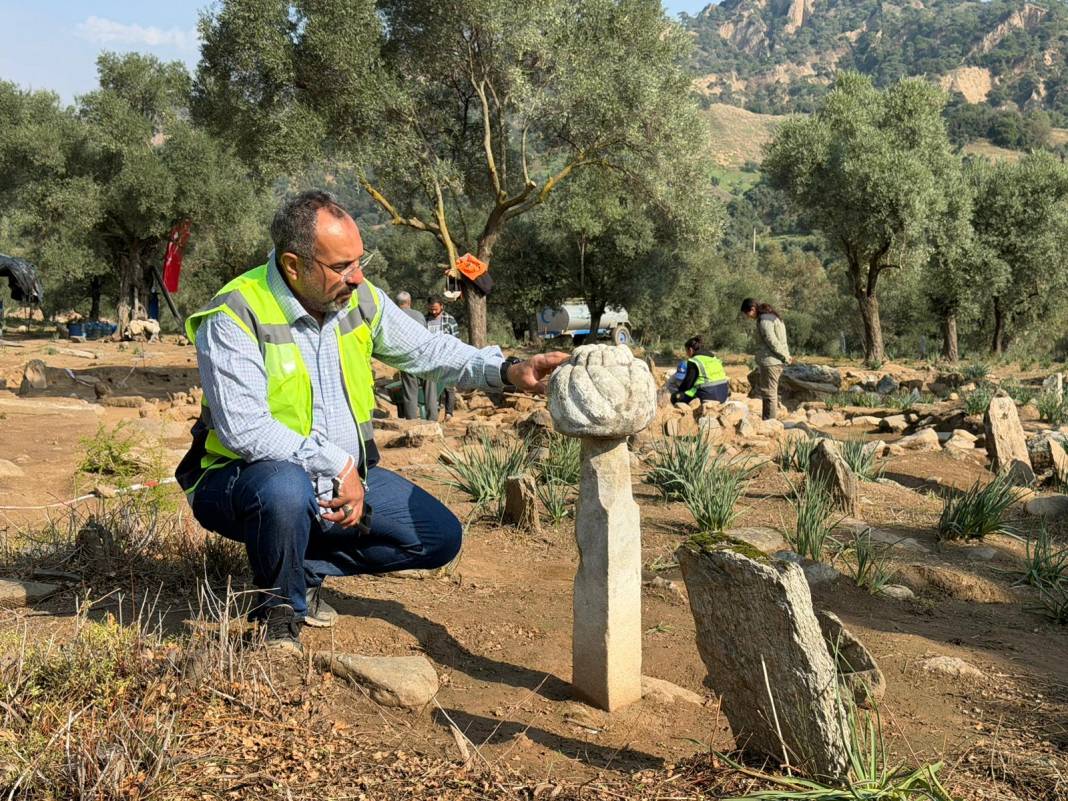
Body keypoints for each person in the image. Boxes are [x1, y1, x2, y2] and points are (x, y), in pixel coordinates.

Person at [177, 190, 568, 653]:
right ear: (293, 265)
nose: (357, 277)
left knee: (438, 538)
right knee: (285, 489)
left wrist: (508, 370)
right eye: (342, 267)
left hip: (344, 480)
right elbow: (245, 429)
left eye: (360, 261)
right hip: (242, 482)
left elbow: (428, 350)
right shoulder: (235, 314)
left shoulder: (361, 301)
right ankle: (278, 615)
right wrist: (335, 463)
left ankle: (303, 568)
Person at [741, 297, 791, 420]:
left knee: (770, 394)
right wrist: (785, 355)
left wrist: (785, 356)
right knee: (769, 393)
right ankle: (767, 420)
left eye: (747, 313)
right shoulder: (772, 317)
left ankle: (770, 423)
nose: (748, 317)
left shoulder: (764, 321)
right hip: (774, 361)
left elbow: (772, 341)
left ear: (752, 309)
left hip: (771, 362)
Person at [424, 296, 459, 422]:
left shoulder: (450, 320)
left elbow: (456, 340)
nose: (433, 312)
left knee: (449, 385)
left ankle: (449, 413)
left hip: (446, 357)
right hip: (430, 358)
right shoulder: (425, 319)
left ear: (442, 306)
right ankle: (435, 411)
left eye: (436, 309)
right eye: (431, 309)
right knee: (433, 386)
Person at [669, 335, 730, 405]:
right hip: (723, 394)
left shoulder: (694, 361)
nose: (687, 354)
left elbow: (688, 384)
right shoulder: (714, 358)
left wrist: (679, 392)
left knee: (675, 397)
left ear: (691, 350)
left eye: (686, 351)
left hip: (708, 396)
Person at [393, 291, 424, 419]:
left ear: (396, 303)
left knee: (410, 389)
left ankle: (412, 419)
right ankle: (432, 417)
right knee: (429, 388)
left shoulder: (394, 316)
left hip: (406, 356)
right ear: (410, 302)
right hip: (423, 355)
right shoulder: (419, 315)